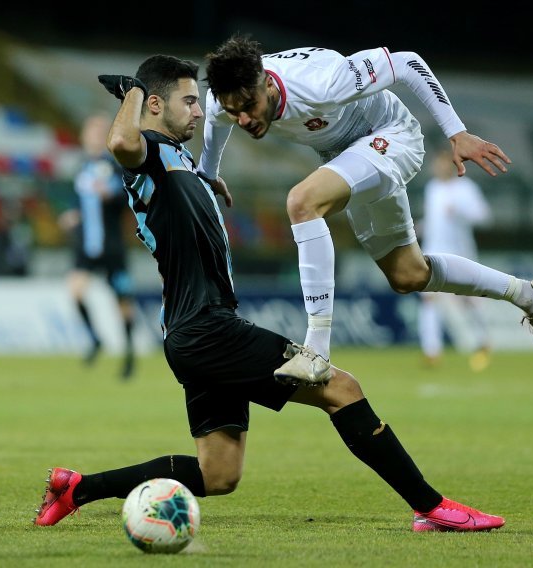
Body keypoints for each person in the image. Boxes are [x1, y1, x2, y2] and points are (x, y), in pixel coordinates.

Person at [33, 55, 505, 533]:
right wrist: (134, 89)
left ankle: (78, 488)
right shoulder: (150, 153)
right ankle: (432, 506)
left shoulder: (181, 161)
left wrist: (208, 172)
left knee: (218, 474)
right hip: (207, 328)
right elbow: (120, 141)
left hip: (192, 331)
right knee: (342, 390)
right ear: (155, 105)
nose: (201, 111)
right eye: (190, 102)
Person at [199, 34, 533, 384]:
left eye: (249, 107)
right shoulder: (227, 101)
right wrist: (210, 176)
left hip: (391, 135)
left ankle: (316, 352)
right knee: (408, 275)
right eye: (235, 112)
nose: (243, 119)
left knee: (302, 201)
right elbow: (216, 125)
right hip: (346, 155)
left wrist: (457, 132)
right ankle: (530, 295)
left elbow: (406, 63)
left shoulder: (322, 83)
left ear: (270, 87)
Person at [59, 113, 137, 380]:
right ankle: (95, 339)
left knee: (122, 301)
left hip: (112, 247)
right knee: (76, 291)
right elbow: (77, 200)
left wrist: (112, 195)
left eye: (97, 133)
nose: (92, 138)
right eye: (89, 133)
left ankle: (129, 356)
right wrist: (72, 214)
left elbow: (126, 197)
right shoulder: (81, 169)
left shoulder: (116, 167)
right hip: (86, 246)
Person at [418, 149, 492, 371]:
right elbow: (434, 221)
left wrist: (460, 211)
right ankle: (432, 351)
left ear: (451, 166)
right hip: (433, 252)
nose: (438, 169)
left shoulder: (466, 188)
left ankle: (483, 340)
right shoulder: (432, 188)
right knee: (429, 300)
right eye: (436, 165)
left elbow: (484, 216)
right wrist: (417, 228)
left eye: (442, 165)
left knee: (467, 300)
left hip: (461, 254)